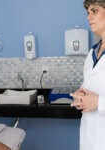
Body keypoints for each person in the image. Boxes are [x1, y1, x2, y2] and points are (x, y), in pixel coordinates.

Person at [70, 0, 105, 150]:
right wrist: (81, 95)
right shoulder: (92, 52)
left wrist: (98, 102)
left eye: (94, 11)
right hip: (89, 138)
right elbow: (90, 85)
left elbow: (97, 99)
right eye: (88, 12)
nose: (88, 17)